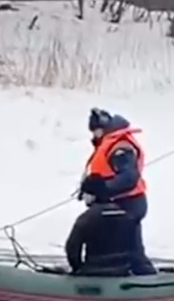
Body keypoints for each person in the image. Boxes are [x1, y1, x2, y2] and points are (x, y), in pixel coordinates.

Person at [80, 108, 157, 275]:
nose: (94, 136)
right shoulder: (108, 144)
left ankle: (142, 277)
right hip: (115, 202)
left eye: (96, 131)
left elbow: (129, 177)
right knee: (123, 248)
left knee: (131, 249)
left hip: (128, 203)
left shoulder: (121, 147)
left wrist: (103, 188)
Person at [65, 174, 138, 276]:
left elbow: (72, 248)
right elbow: (135, 248)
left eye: (85, 194)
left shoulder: (86, 218)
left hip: (93, 272)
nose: (83, 198)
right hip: (121, 271)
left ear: (92, 195)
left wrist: (78, 268)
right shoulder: (127, 217)